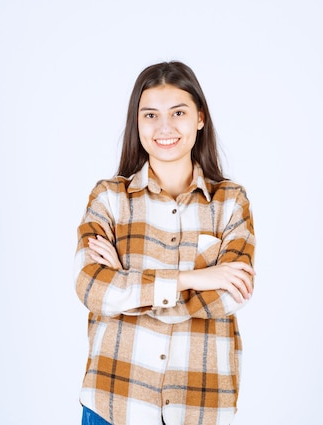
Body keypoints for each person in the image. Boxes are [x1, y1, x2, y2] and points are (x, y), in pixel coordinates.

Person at [74, 61, 256, 425]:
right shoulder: (109, 199)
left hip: (199, 406)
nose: (165, 127)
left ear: (200, 118)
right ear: (137, 123)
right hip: (115, 402)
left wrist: (129, 285)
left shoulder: (230, 202)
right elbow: (92, 288)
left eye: (178, 112)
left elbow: (230, 293)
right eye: (151, 115)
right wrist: (194, 279)